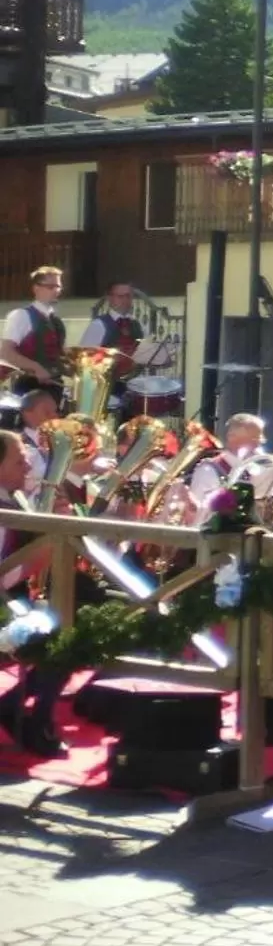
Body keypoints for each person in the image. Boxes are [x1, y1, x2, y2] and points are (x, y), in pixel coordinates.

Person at [0, 430, 67, 757]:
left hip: (16, 601)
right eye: (19, 461)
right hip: (6, 605)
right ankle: (33, 722)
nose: (28, 467)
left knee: (72, 624)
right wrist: (42, 556)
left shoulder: (16, 499)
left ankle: (15, 710)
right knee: (63, 642)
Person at [1, 266, 66, 393]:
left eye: (58, 286)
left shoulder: (57, 321)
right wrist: (36, 368)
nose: (56, 291)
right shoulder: (21, 315)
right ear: (36, 288)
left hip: (55, 385)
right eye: (50, 287)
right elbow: (6, 353)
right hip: (27, 387)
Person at [189, 413, 265, 503]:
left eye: (260, 439)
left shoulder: (254, 469)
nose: (258, 444)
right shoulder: (208, 471)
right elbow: (199, 508)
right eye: (254, 439)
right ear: (231, 437)